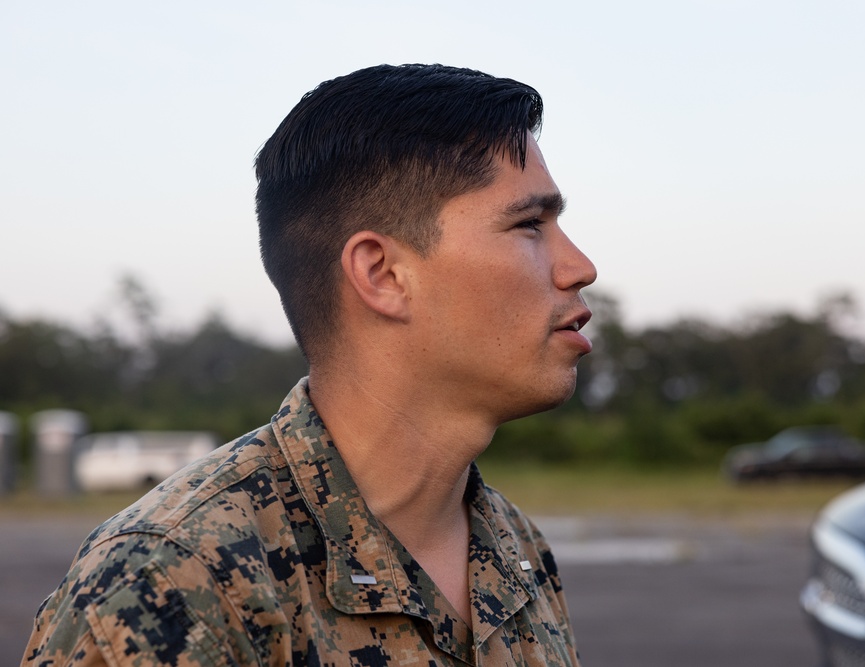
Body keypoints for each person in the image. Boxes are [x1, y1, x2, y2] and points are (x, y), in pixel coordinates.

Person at [22, 63, 597, 666]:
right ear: (382, 274)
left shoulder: (517, 547)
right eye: (530, 225)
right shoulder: (171, 583)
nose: (580, 266)